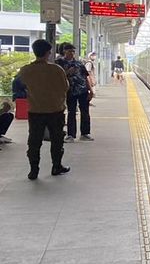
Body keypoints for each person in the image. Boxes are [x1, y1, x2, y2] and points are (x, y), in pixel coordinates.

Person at [17, 38, 70, 179]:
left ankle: (33, 170)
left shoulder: (26, 70)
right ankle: (56, 166)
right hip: (55, 110)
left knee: (34, 141)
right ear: (48, 53)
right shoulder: (56, 69)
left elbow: (19, 86)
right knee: (57, 140)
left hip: (35, 111)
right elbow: (65, 87)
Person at [56, 42, 94, 141]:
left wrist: (90, 90)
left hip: (83, 90)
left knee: (85, 112)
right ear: (64, 51)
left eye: (73, 51)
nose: (72, 53)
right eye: (70, 51)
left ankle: (85, 133)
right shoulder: (59, 63)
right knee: (71, 112)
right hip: (70, 91)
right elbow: (56, 77)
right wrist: (67, 72)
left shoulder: (79, 63)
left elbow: (85, 77)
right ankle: (71, 135)